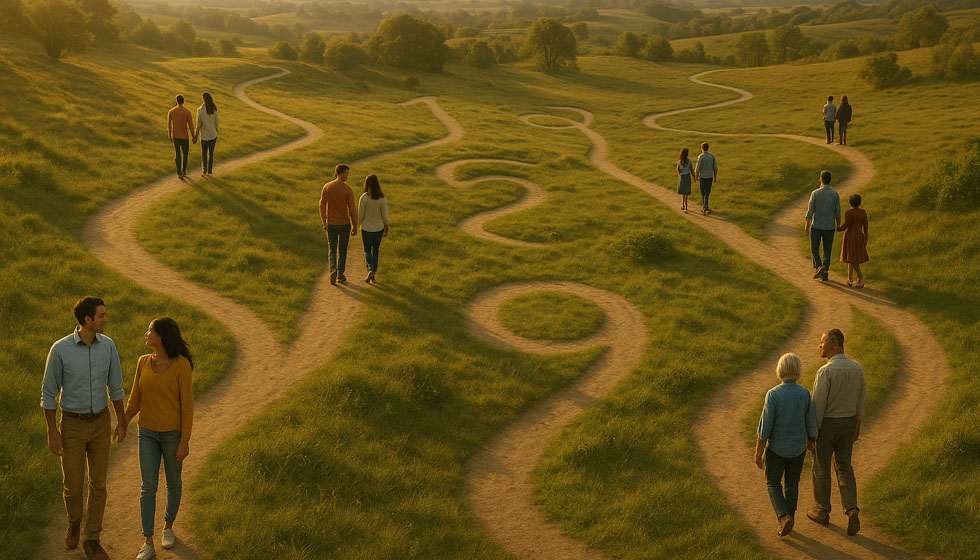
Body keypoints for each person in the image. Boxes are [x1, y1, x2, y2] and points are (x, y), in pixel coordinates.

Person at [40, 297, 126, 560]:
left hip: (100, 423)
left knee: (99, 485)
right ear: (87, 320)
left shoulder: (108, 346)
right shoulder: (60, 349)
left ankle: (92, 539)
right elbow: (48, 392)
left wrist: (121, 420)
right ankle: (75, 522)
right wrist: (52, 431)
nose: (105, 319)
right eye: (101, 316)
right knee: (73, 486)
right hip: (72, 426)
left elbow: (116, 386)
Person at [125, 317, 194, 560]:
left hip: (173, 435)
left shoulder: (181, 365)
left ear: (162, 336)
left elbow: (187, 407)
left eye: (150, 330)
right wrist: (122, 423)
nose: (146, 334)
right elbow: (135, 400)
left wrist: (184, 441)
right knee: (148, 486)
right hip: (147, 434)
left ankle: (168, 527)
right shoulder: (143, 362)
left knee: (174, 483)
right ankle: (147, 542)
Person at [807, 329, 865, 536]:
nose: (820, 346)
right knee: (844, 467)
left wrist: (812, 434)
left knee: (821, 467)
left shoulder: (825, 372)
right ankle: (851, 510)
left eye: (822, 342)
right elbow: (860, 400)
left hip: (828, 425)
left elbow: (817, 406)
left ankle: (821, 511)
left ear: (833, 344)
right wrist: (857, 425)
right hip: (849, 424)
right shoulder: (857, 369)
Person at [754, 353, 818, 538]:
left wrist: (758, 452)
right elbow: (810, 422)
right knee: (792, 484)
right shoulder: (805, 393)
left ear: (780, 370)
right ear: (797, 371)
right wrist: (811, 441)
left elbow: (765, 427)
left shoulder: (773, 395)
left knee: (773, 483)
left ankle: (783, 517)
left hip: (776, 449)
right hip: (798, 449)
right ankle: (790, 517)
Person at [319, 164, 358, 285]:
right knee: (342, 250)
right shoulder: (347, 189)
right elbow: (352, 210)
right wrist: (355, 226)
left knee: (332, 249)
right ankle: (340, 275)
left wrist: (324, 221)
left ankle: (333, 270)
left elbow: (321, 205)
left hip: (331, 223)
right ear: (339, 173)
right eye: (346, 173)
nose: (347, 176)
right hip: (344, 224)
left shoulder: (327, 187)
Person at [804, 170, 841, 282]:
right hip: (829, 227)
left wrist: (807, 226)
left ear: (821, 179)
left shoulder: (815, 193)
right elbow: (838, 212)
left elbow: (810, 211)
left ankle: (819, 267)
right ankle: (824, 271)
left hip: (816, 226)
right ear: (830, 180)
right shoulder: (835, 194)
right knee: (827, 250)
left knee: (814, 248)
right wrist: (838, 225)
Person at [357, 174, 390, 284]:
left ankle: (370, 269)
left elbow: (360, 215)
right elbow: (385, 215)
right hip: (378, 229)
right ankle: (373, 273)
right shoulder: (382, 198)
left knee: (367, 250)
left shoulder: (364, 197)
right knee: (375, 250)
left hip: (366, 229)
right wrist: (386, 227)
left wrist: (356, 226)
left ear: (367, 184)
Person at [838, 194, 869, 288]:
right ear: (860, 202)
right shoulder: (863, 212)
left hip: (850, 236)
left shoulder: (849, 212)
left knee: (852, 258)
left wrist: (837, 228)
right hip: (860, 235)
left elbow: (845, 226)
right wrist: (866, 237)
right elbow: (866, 226)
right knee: (851, 257)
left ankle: (860, 278)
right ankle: (850, 279)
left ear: (850, 203)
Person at [167, 95, 195, 179]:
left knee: (177, 154)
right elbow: (191, 126)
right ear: (183, 101)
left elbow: (169, 124)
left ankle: (179, 172)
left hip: (175, 136)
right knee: (185, 154)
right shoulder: (187, 112)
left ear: (176, 101)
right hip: (184, 137)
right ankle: (184, 171)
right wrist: (194, 136)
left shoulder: (171, 111)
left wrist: (169, 134)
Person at [195, 92, 219, 177]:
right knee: (211, 154)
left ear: (203, 99)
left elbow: (198, 125)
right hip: (213, 135)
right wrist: (217, 131)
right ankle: (210, 171)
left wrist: (195, 135)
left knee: (204, 154)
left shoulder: (200, 110)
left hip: (204, 136)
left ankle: (204, 170)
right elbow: (217, 123)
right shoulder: (214, 108)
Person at [693, 142, 718, 215]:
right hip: (710, 177)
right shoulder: (712, 156)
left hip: (702, 177)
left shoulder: (700, 157)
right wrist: (715, 177)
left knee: (702, 192)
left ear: (701, 148)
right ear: (708, 148)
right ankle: (705, 207)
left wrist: (696, 177)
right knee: (707, 192)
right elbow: (715, 168)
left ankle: (705, 207)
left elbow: (697, 168)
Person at [676, 148, 693, 212]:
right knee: (686, 193)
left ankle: (683, 205)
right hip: (687, 177)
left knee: (683, 193)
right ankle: (686, 206)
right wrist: (694, 177)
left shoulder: (679, 161)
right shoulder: (689, 161)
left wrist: (680, 173)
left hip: (682, 177)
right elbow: (691, 170)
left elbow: (678, 170)